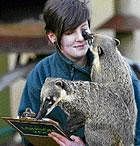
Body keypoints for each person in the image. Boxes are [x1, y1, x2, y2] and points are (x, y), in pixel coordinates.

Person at [18, 0, 140, 145]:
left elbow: (135, 130)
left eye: (84, 30)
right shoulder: (41, 73)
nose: (80, 38)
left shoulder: (117, 69)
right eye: (70, 33)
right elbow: (28, 134)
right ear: (53, 37)